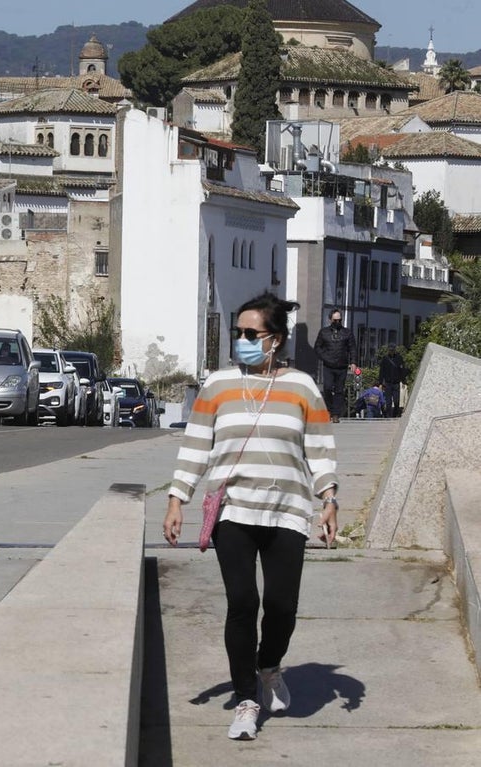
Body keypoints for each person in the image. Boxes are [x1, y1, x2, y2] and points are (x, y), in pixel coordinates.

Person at [163, 292, 339, 741]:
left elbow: (319, 447)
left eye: (250, 333)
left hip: (288, 510)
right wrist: (176, 498)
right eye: (236, 333)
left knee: (282, 607)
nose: (240, 340)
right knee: (243, 603)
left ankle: (269, 667)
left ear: (275, 340)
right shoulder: (219, 385)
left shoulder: (302, 386)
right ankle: (245, 699)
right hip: (233, 510)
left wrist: (329, 499)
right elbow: (197, 443)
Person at [313, 309, 356, 423]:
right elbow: (317, 347)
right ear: (330, 320)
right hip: (328, 365)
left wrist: (353, 362)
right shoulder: (324, 332)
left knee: (339, 391)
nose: (337, 322)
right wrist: (325, 357)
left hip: (342, 366)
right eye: (335, 320)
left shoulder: (347, 332)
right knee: (327, 388)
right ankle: (328, 410)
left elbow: (352, 348)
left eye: (339, 320)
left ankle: (336, 414)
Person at [378, 345, 407, 417]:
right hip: (388, 383)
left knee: (396, 400)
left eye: (392, 350)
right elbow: (381, 371)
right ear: (388, 351)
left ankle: (395, 414)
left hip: (396, 383)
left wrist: (403, 381)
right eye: (390, 350)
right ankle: (388, 415)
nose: (391, 352)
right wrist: (380, 383)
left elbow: (402, 370)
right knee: (388, 401)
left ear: (394, 350)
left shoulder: (399, 358)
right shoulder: (385, 359)